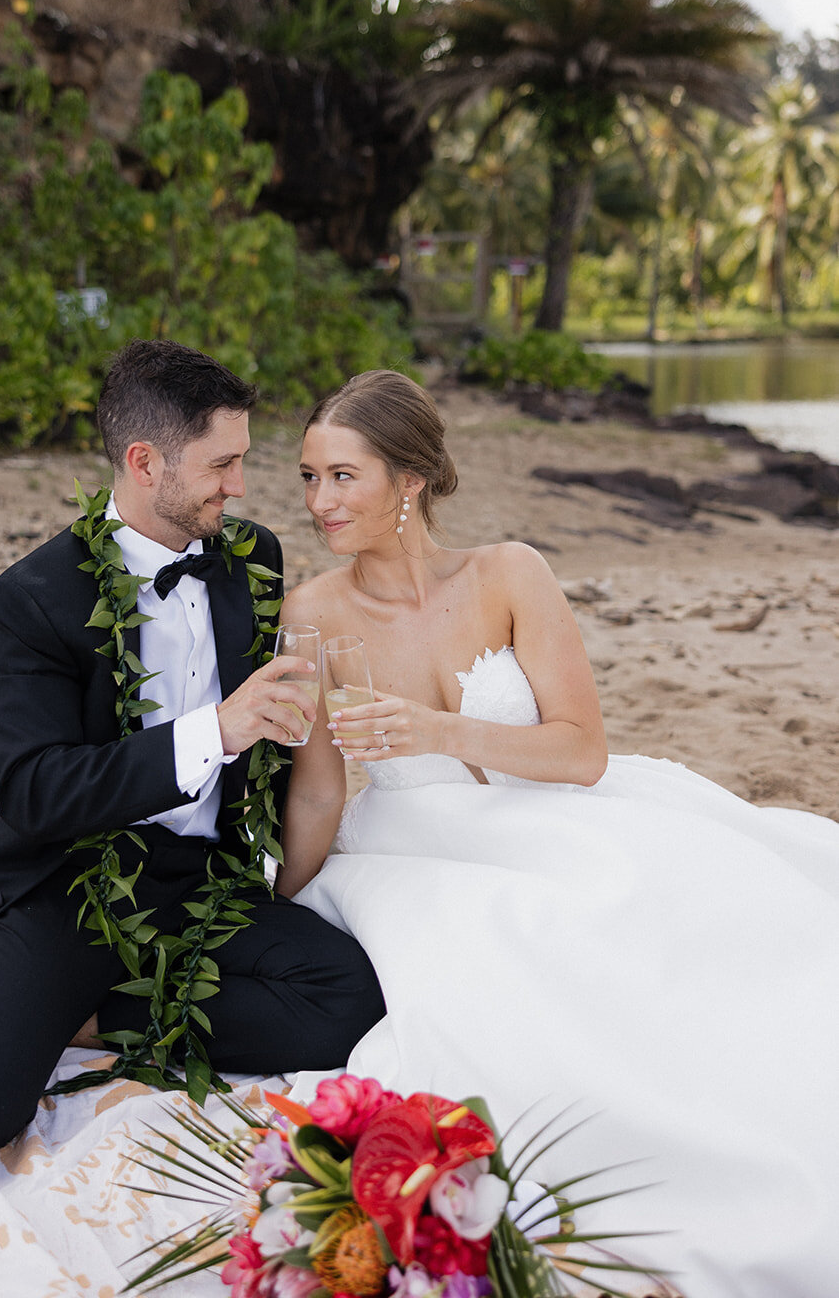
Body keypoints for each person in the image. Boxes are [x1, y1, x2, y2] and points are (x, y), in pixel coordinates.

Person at [276, 369, 839, 1298]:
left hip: (555, 809)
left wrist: (439, 731)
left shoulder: (508, 572)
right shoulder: (312, 611)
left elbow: (581, 752)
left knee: (711, 921)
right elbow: (316, 796)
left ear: (408, 479)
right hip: (422, 847)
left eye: (342, 476)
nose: (318, 500)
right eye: (308, 477)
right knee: (509, 973)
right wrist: (276, 900)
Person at [0, 340, 384, 1161]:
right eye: (220, 464)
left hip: (203, 880)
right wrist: (217, 730)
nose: (239, 485)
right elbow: (34, 790)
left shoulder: (252, 559)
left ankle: (84, 1015)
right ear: (144, 461)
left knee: (346, 1003)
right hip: (71, 881)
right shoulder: (37, 594)